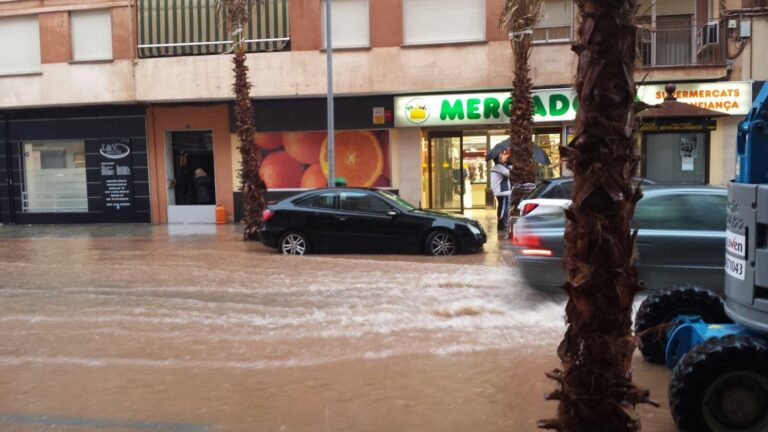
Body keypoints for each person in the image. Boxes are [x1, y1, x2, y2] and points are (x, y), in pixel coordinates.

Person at [490, 155, 512, 232]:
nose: (502, 159)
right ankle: (501, 224)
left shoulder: (496, 167)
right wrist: (510, 167)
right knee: (503, 208)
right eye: (500, 158)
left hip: (500, 191)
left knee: (502, 207)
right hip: (502, 191)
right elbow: (509, 174)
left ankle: (502, 223)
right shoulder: (499, 167)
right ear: (498, 160)